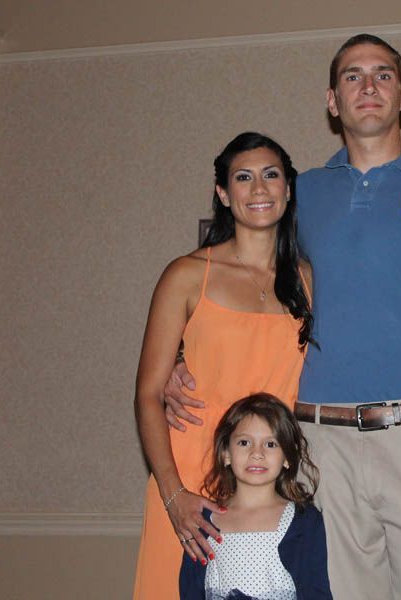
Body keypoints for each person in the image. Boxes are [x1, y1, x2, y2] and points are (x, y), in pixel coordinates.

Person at [166, 34, 401, 599]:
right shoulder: (299, 195)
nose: (368, 86)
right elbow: (237, 275)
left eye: (381, 74)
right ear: (332, 101)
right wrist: (183, 355)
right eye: (352, 76)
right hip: (317, 451)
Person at [132, 132, 313, 599]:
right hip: (190, 473)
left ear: (288, 190)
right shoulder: (187, 274)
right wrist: (174, 497)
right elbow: (148, 394)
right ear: (223, 193)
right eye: (244, 177)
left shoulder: (309, 281)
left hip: (270, 474)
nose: (258, 189)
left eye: (271, 175)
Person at [179, 393, 332, 600]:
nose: (256, 453)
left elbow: (316, 591)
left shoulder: (304, 521)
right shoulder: (204, 522)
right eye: (244, 443)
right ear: (225, 453)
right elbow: (190, 590)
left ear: (287, 457)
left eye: (270, 444)